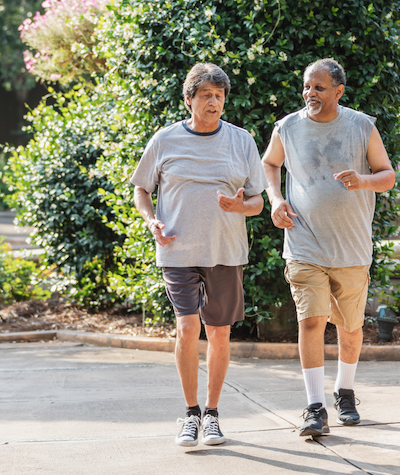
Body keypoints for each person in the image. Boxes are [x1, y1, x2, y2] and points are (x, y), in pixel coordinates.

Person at [131, 62, 266, 447]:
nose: (214, 102)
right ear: (188, 99)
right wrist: (150, 219)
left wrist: (241, 207)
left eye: (220, 96)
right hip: (177, 251)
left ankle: (213, 415)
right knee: (188, 328)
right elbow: (142, 188)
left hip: (225, 252)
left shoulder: (241, 141)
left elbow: (257, 200)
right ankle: (190, 414)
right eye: (206, 95)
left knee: (220, 333)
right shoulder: (165, 139)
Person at [261, 58, 395, 437]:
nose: (310, 94)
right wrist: (274, 199)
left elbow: (387, 176)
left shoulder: (361, 126)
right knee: (311, 321)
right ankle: (314, 406)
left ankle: (345, 391)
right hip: (304, 244)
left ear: (338, 91)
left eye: (319, 87)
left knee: (350, 328)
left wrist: (364, 181)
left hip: (351, 249)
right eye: (307, 87)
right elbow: (270, 164)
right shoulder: (287, 127)